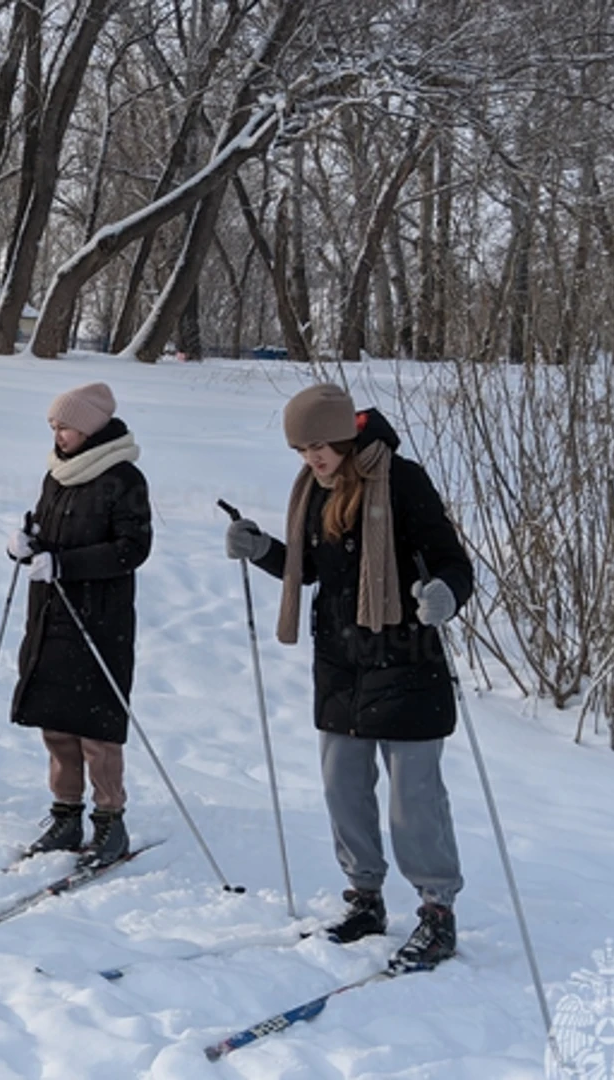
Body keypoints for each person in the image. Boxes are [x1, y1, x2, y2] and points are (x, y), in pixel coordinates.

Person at [224, 382, 474, 969]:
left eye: (317, 445)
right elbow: (308, 568)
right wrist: (262, 548)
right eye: (301, 449)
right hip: (341, 663)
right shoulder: (315, 488)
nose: (310, 458)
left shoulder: (402, 480)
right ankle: (365, 899)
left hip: (408, 658)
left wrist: (445, 594)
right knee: (345, 793)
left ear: (341, 433)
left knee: (414, 801)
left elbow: (452, 561)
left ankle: (437, 912)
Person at [8, 383, 152, 867]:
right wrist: (28, 544)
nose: (58, 434)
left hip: (99, 619)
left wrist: (66, 564)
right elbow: (49, 536)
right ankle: (65, 814)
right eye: (53, 426)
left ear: (89, 428)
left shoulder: (123, 478)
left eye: (64, 426)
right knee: (57, 722)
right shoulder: (57, 475)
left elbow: (133, 549)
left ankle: (110, 822)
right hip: (52, 613)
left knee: (96, 728)